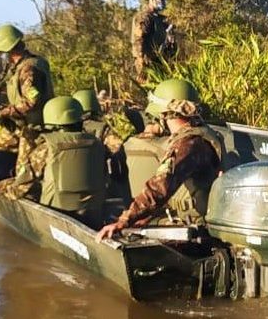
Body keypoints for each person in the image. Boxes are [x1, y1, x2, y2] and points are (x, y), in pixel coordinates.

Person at [96, 79, 224, 240]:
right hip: (194, 222)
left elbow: (160, 186)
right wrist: (143, 217)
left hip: (194, 230)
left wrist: (124, 221)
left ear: (165, 113)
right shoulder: (202, 134)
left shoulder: (188, 144)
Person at [6, 95, 107, 227]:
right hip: (93, 213)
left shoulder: (47, 147)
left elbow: (23, 185)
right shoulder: (97, 143)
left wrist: (8, 191)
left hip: (56, 213)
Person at [0, 23, 55, 159]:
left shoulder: (28, 69)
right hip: (23, 124)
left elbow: (31, 102)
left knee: (26, 173)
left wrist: (1, 114)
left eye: (2, 53)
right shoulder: (19, 67)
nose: (2, 57)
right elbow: (10, 88)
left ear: (8, 51)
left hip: (34, 128)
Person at [130, 0, 177, 84]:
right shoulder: (144, 17)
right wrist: (140, 61)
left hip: (161, 61)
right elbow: (138, 39)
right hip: (147, 62)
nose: (162, 2)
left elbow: (169, 43)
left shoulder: (162, 20)